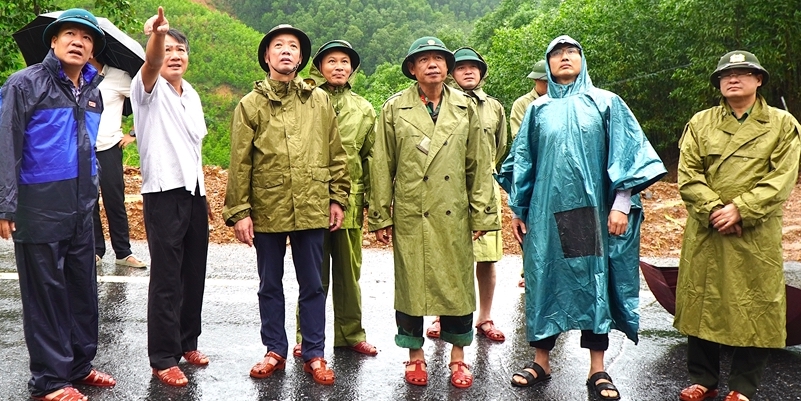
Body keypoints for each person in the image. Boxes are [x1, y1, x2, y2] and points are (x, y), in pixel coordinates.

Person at [497, 35, 665, 400]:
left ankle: (597, 368)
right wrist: (518, 210)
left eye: (571, 52)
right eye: (556, 54)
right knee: (544, 280)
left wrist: (621, 203)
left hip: (589, 213)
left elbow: (629, 153)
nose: (565, 58)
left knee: (593, 283)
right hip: (544, 213)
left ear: (582, 59)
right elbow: (522, 162)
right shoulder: (537, 110)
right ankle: (541, 360)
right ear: (548, 64)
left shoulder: (606, 103)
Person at [368, 36, 500, 389]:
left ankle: (458, 357)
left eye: (439, 59)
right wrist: (381, 214)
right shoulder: (394, 108)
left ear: (447, 67)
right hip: (412, 211)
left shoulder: (465, 107)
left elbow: (478, 162)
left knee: (456, 284)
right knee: (412, 285)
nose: (432, 65)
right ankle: (415, 356)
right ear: (412, 69)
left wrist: (482, 215)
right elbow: (382, 164)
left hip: (453, 211)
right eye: (423, 60)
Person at [0, 8, 117, 400]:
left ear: (93, 49)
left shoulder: (94, 91)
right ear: (53, 41)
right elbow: (6, 146)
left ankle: (79, 366)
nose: (77, 41)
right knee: (46, 294)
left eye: (86, 38)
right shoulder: (25, 84)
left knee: (82, 289)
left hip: (82, 207)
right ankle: (50, 380)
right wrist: (6, 204)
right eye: (69, 34)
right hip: (39, 206)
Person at [223, 24, 349, 386]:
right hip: (267, 205)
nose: (286, 52)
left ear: (301, 58)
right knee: (269, 283)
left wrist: (337, 197)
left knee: (312, 284)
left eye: (293, 47)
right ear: (267, 56)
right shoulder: (250, 104)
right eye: (278, 46)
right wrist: (240, 211)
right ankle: (275, 349)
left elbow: (335, 152)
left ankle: (314, 353)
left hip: (311, 203)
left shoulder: (318, 100)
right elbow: (240, 161)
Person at [674, 50, 801, 401]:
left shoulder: (782, 124)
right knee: (702, 300)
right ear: (719, 83)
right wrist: (716, 209)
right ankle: (704, 380)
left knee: (756, 304)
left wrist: (741, 210)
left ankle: (743, 387)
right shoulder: (701, 122)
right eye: (727, 75)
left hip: (754, 232)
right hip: (708, 227)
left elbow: (782, 179)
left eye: (745, 73)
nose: (734, 78)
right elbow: (688, 175)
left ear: (759, 80)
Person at [132, 7, 212, 387]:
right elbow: (150, 61)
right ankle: (163, 357)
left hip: (194, 191)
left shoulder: (192, 93)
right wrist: (157, 37)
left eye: (181, 49)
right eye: (169, 49)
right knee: (166, 277)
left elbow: (194, 146)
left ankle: (186, 341)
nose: (174, 55)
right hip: (163, 193)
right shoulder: (146, 88)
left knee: (193, 271)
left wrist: (203, 193)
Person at [291, 40, 377, 358]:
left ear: (352, 69)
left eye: (345, 62)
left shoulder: (365, 110)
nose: (339, 67)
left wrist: (373, 204)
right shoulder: (305, 103)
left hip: (350, 204)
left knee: (349, 275)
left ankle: (351, 334)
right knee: (312, 275)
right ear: (319, 67)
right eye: (331, 61)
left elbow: (371, 160)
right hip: (311, 202)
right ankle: (305, 336)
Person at [426, 46, 508, 343]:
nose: (468, 71)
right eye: (461, 67)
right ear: (451, 73)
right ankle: (439, 315)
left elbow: (499, 147)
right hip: (445, 192)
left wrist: (484, 180)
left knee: (487, 258)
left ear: (482, 73)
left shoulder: (495, 107)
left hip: (484, 190)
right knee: (444, 255)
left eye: (474, 67)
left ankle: (484, 317)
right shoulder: (437, 105)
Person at [88, 58, 147, 269]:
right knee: (89, 202)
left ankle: (123, 252)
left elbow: (144, 102)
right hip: (83, 149)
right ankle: (95, 250)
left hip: (109, 147)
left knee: (114, 201)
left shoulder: (118, 76)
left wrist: (133, 133)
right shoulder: (75, 76)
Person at [508, 59, 548, 288]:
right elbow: (519, 140)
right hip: (530, 171)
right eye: (541, 81)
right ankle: (529, 271)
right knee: (527, 223)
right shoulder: (522, 104)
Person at [510, 59, 548, 137]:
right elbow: (519, 137)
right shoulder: (521, 104)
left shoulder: (560, 102)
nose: (548, 84)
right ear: (535, 79)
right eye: (545, 81)